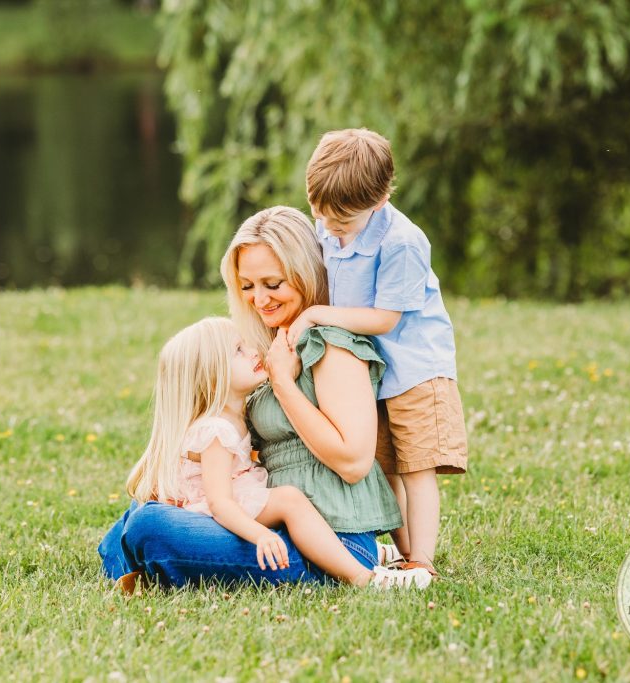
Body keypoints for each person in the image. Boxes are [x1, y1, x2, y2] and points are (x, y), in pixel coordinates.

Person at [99, 206, 409, 588]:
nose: (259, 300)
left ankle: (142, 567)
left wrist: (282, 383)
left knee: (148, 526)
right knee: (142, 510)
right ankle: (134, 571)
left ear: (304, 273)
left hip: (333, 542)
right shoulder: (272, 342)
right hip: (278, 527)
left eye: (272, 283)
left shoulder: (330, 345)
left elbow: (354, 462)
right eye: (247, 286)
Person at [119, 316, 431, 590]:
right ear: (213, 375)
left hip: (247, 506)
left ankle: (365, 566)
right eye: (238, 351)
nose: (253, 351)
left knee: (145, 523)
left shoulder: (234, 418)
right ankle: (365, 570)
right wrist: (260, 535)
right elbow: (220, 502)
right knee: (287, 500)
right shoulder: (215, 430)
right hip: (227, 508)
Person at [286, 128, 469, 577]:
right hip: (366, 370)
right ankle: (405, 552)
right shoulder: (329, 227)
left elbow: (386, 319)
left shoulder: (401, 242)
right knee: (383, 464)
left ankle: (421, 562)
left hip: (414, 370)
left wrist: (315, 316)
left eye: (341, 222)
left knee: (416, 466)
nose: (329, 228)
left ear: (381, 198)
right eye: (321, 215)